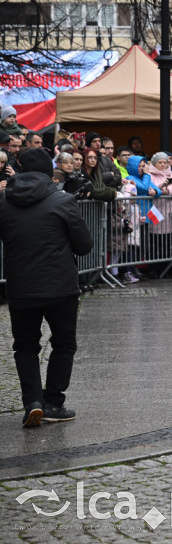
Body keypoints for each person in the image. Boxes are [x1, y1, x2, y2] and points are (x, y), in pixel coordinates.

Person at [1, 148, 92, 426]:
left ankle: (32, 402)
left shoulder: (4, 202)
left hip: (21, 286)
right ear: (48, 172)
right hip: (60, 286)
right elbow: (84, 245)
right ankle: (53, 401)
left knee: (25, 346)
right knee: (63, 344)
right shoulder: (62, 201)